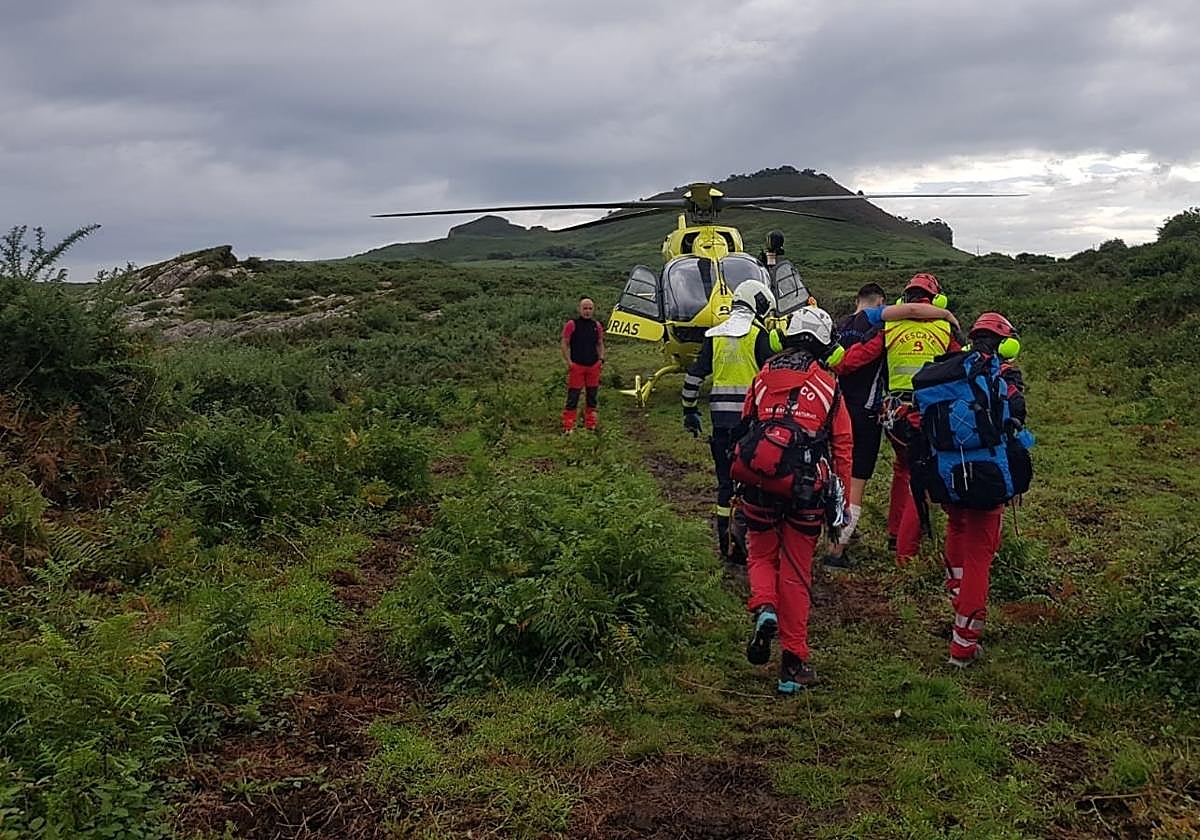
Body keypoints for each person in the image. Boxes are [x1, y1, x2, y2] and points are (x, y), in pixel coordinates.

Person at [737, 306, 852, 692]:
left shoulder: (762, 376)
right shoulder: (829, 384)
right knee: (797, 573)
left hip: (759, 484)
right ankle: (792, 665)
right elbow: (843, 446)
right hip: (807, 491)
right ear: (825, 345)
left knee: (760, 555)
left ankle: (764, 606)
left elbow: (746, 425)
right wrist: (841, 505)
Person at [824, 285, 959, 567]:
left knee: (840, 474)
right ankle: (853, 546)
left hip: (840, 410)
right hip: (889, 413)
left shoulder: (845, 325)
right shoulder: (889, 320)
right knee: (868, 479)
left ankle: (853, 532)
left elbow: (846, 362)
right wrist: (947, 315)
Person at [928, 313, 1028, 667]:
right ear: (1005, 343)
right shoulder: (1002, 375)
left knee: (957, 528)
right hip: (988, 476)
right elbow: (1017, 415)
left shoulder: (949, 368)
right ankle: (963, 646)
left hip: (948, 473)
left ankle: (957, 597)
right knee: (980, 558)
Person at [681, 279, 781, 564]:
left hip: (721, 424)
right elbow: (774, 377)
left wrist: (689, 410)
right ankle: (752, 539)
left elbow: (693, 377)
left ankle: (726, 544)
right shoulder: (759, 335)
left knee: (725, 483)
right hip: (752, 425)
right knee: (754, 483)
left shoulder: (714, 335)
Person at [561, 297, 605, 433]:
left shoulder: (596, 326)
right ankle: (568, 426)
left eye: (590, 308)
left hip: (593, 366)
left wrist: (601, 359)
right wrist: (569, 362)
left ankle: (590, 425)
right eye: (585, 308)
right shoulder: (572, 324)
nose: (587, 311)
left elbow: (600, 343)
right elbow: (564, 343)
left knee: (592, 396)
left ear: (593, 310)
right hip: (577, 366)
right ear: (579, 309)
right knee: (573, 396)